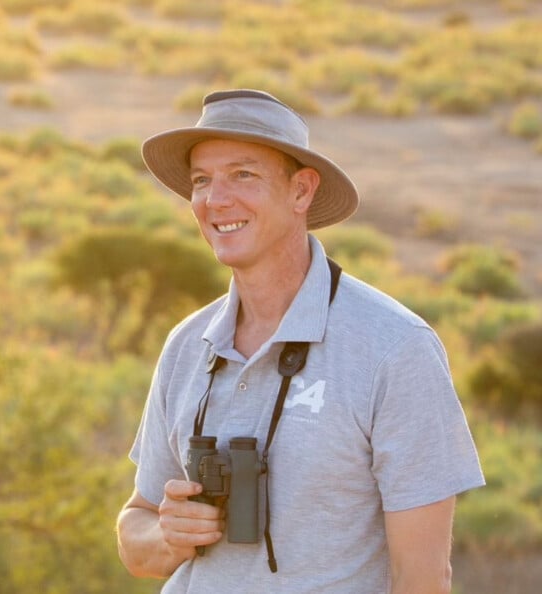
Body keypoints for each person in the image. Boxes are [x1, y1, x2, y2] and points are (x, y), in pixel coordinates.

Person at [115, 89, 484, 593]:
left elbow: (423, 578)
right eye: (202, 180)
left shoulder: (395, 348)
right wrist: (167, 535)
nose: (215, 200)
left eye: (243, 174)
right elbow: (136, 531)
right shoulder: (187, 344)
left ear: (301, 191)